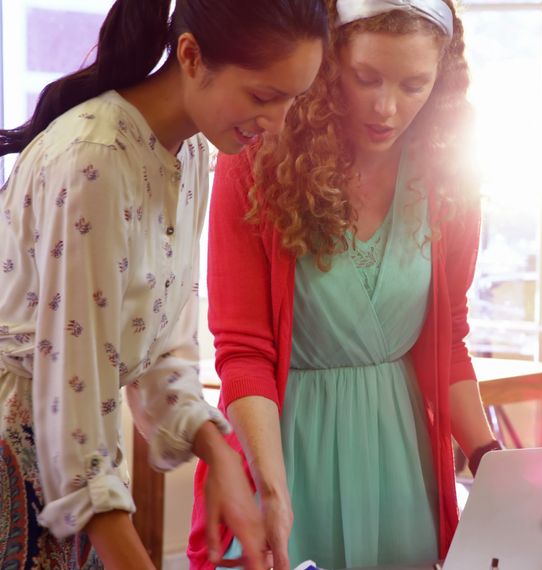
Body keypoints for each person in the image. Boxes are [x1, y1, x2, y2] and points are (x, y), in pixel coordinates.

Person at [0, 0, 327, 569]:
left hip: (76, 459)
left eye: (291, 100)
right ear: (192, 56)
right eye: (263, 96)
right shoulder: (95, 161)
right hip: (26, 453)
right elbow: (73, 410)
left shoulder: (191, 146)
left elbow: (159, 346)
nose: (277, 123)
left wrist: (219, 454)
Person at [186, 0, 499, 568]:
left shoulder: (449, 175)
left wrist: (491, 459)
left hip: (400, 456)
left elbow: (448, 340)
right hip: (283, 449)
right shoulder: (257, 159)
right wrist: (271, 492)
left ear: (442, 81)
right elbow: (243, 352)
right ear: (330, 63)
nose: (386, 107)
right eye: (366, 77)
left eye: (413, 85)